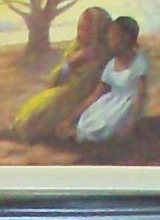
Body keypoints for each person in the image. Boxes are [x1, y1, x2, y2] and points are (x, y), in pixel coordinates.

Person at [11, 8, 112, 144]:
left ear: (99, 32)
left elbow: (102, 90)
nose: (82, 33)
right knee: (31, 115)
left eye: (88, 30)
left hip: (87, 103)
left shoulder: (107, 54)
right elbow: (53, 81)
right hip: (64, 95)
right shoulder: (76, 48)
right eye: (80, 28)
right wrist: (73, 62)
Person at [74, 15, 148, 149]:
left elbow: (140, 95)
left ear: (125, 38)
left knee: (108, 125)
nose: (109, 41)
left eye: (113, 37)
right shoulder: (111, 64)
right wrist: (72, 117)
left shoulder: (138, 62)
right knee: (88, 122)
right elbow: (96, 94)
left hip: (126, 106)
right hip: (109, 103)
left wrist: (131, 122)